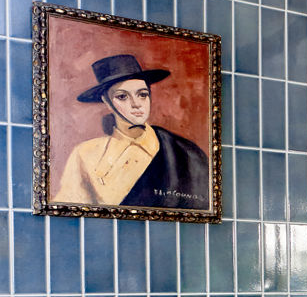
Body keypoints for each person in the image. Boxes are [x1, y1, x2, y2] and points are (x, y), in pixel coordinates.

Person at [52, 53, 210, 209]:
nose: (136, 104)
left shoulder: (185, 153)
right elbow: (67, 210)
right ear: (106, 102)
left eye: (142, 95)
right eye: (122, 97)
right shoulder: (85, 154)